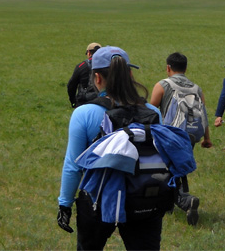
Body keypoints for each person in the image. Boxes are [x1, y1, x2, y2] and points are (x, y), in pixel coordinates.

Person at [57, 46, 167, 250]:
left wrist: (65, 203)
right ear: (131, 75)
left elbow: (73, 166)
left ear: (96, 78)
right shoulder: (152, 112)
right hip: (144, 197)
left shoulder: (84, 114)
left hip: (96, 199)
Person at [150, 52, 213, 226]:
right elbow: (203, 114)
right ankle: (179, 201)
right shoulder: (196, 88)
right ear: (186, 68)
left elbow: (150, 111)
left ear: (168, 67)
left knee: (166, 170)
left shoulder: (162, 85)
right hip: (190, 136)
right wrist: (206, 138)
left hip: (169, 136)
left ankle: (181, 201)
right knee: (178, 169)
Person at [67, 42, 101, 108]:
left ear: (88, 53)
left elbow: (71, 85)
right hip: (102, 100)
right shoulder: (108, 65)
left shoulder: (81, 66)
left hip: (84, 101)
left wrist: (73, 101)